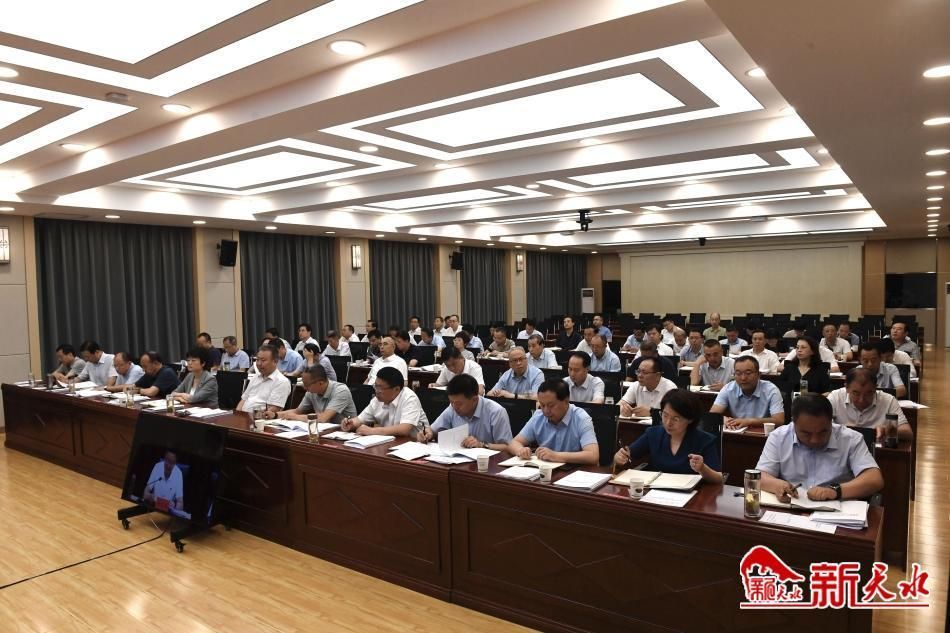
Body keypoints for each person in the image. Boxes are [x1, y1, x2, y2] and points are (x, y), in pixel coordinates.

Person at [755, 393, 883, 502]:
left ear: (831, 421)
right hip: (792, 507)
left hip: (837, 510)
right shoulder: (778, 437)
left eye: (823, 432)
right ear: (794, 422)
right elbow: (760, 475)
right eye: (806, 433)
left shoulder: (851, 439)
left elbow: (874, 479)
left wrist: (835, 491)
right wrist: (777, 484)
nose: (815, 440)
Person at [614, 389, 722, 483]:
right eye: (665, 415)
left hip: (690, 495)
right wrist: (619, 457)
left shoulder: (704, 440)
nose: (668, 423)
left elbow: (718, 478)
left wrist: (702, 468)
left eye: (676, 419)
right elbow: (628, 454)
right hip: (654, 492)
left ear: (690, 419)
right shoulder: (653, 434)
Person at [508, 379, 599, 465]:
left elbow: (593, 456)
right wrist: (521, 450)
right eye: (542, 405)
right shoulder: (538, 416)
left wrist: (556, 456)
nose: (546, 411)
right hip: (545, 469)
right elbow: (514, 443)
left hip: (574, 471)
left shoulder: (581, 418)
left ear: (566, 401)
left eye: (551, 405)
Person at [419, 374, 513, 450]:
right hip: (457, 461)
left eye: (459, 404)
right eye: (451, 402)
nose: (455, 407)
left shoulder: (496, 412)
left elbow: (508, 447)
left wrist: (481, 445)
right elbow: (432, 430)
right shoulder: (452, 407)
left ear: (474, 399)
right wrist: (427, 434)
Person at [827, 369, 912, 441]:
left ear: (875, 388)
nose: (861, 400)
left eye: (868, 393)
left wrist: (887, 430)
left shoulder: (888, 400)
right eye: (856, 393)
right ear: (847, 388)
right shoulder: (835, 397)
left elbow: (908, 433)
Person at [343, 367, 427, 437]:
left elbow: (404, 429)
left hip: (414, 444)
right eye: (375, 386)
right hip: (391, 442)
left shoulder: (409, 398)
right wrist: (351, 424)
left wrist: (371, 431)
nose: (376, 391)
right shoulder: (377, 400)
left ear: (396, 389)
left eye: (380, 388)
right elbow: (359, 420)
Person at [711, 356, 784, 429]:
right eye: (738, 373)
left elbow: (779, 420)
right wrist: (724, 419)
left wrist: (749, 421)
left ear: (759, 374)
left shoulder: (771, 390)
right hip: (736, 433)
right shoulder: (728, 389)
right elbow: (713, 414)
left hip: (762, 434)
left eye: (748, 373)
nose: (743, 378)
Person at [277, 365, 356, 425]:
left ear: (320, 383)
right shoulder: (311, 392)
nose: (304, 388)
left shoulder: (341, 391)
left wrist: (295, 417)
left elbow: (323, 418)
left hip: (344, 433)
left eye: (307, 385)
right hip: (324, 431)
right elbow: (297, 411)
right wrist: (275, 415)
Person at [236, 344, 292, 416]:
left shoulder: (281, 382)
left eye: (263, 360)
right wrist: (237, 416)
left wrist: (250, 418)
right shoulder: (255, 377)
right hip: (244, 417)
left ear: (275, 361)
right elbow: (243, 400)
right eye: (257, 360)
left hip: (260, 419)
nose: (259, 363)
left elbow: (272, 410)